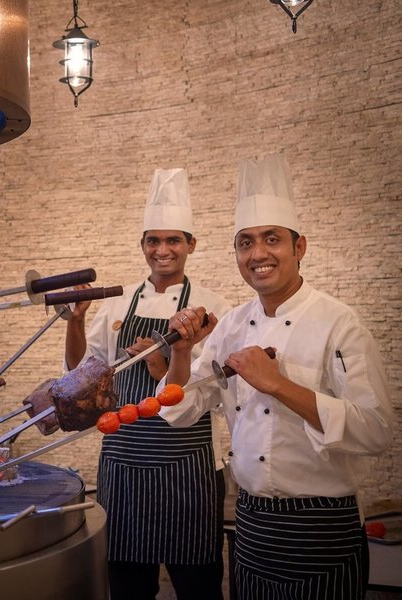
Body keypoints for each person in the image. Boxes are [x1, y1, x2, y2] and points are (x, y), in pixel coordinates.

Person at [159, 154, 393, 599]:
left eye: (272, 239)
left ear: (299, 247)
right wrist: (182, 352)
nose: (258, 254)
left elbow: (376, 431)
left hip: (322, 527)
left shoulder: (339, 323)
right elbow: (179, 411)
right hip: (251, 526)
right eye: (245, 243)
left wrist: (278, 385)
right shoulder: (231, 325)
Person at [65, 168, 231, 600]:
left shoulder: (214, 306)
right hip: (124, 463)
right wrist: (76, 322)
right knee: (127, 586)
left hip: (189, 468)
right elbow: (80, 375)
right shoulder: (118, 303)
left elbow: (220, 388)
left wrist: (163, 365)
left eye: (173, 240)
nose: (162, 250)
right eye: (152, 241)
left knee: (198, 586)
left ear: (191, 244)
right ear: (142, 245)